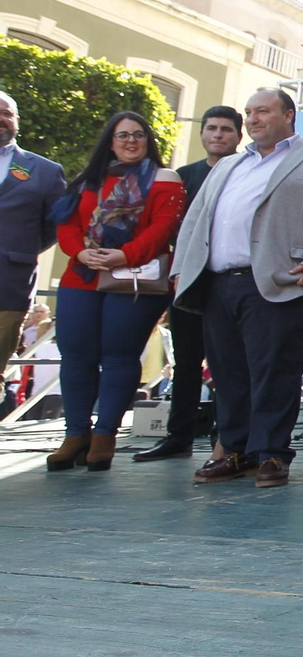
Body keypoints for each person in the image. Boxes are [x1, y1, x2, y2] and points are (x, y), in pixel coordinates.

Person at [172, 88, 303, 488]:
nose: (253, 119)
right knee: (228, 375)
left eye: (263, 111)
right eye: (249, 112)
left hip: (280, 284)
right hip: (219, 284)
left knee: (275, 373)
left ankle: (272, 454)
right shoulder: (227, 166)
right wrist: (182, 271)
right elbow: (196, 220)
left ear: (289, 115)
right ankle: (235, 452)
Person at [48, 111, 184, 471]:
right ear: (110, 140)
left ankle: (105, 435)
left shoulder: (164, 179)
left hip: (135, 279)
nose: (130, 141)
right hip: (82, 276)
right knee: (75, 355)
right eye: (122, 135)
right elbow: (67, 226)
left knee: (119, 356)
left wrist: (123, 255)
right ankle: (75, 433)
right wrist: (80, 252)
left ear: (148, 141)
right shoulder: (86, 181)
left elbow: (162, 230)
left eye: (138, 135)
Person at [134, 106, 241, 462]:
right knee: (186, 362)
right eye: (212, 128)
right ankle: (178, 436)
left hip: (232, 281)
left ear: (238, 136)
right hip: (190, 281)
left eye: (226, 129)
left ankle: (226, 437)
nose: (218, 135)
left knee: (231, 364)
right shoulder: (183, 176)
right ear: (202, 134)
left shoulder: (247, 171)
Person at [0, 91, 67, 386]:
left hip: (10, 283)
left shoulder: (45, 171)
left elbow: (54, 225)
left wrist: (19, 249)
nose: (0, 119)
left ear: (17, 121)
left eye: (6, 113)